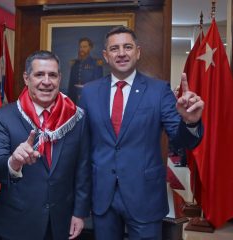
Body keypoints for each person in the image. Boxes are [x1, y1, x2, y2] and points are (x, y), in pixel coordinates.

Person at [79, 26, 204, 239]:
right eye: (114, 48)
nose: (121, 53)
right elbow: (83, 146)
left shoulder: (158, 90)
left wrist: (190, 122)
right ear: (105, 55)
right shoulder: (89, 92)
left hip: (145, 194)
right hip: (102, 195)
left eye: (127, 47)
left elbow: (181, 139)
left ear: (138, 52)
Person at [0, 50, 91, 240]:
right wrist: (14, 162)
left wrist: (80, 212)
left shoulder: (77, 118)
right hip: (15, 224)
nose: (47, 81)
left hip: (61, 223)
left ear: (60, 78)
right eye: (39, 74)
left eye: (52, 75)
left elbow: (83, 169)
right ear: (27, 78)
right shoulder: (4, 117)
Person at [68, 37, 103, 103]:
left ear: (90, 48)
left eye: (84, 47)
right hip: (74, 99)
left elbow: (98, 86)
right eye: (80, 47)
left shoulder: (96, 63)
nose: (82, 49)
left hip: (90, 98)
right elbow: (71, 85)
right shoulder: (74, 64)